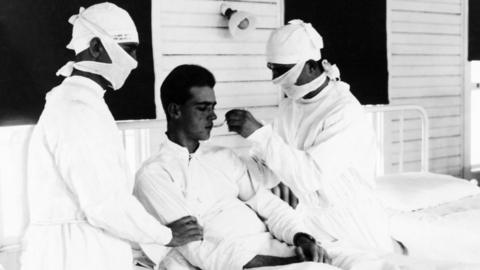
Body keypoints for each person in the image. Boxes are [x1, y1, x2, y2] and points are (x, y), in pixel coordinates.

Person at [21, 3, 202, 270]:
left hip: (87, 248)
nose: (135, 62)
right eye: (128, 50)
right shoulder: (76, 110)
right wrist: (167, 236)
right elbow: (104, 204)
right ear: (96, 47)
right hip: (74, 254)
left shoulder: (86, 103)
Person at [134, 64, 339, 270]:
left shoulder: (222, 156)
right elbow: (198, 250)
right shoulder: (154, 174)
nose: (213, 116)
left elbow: (269, 206)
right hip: (242, 263)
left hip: (275, 249)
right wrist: (290, 262)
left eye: (213, 107)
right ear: (175, 110)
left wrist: (302, 238)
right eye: (203, 108)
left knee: (357, 262)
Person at [225, 19, 395, 253]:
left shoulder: (343, 111)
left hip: (354, 226)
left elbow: (309, 176)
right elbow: (274, 169)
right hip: (313, 222)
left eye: (282, 71)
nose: (277, 78)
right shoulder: (291, 107)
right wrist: (230, 167)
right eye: (272, 68)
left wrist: (261, 134)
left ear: (311, 67)